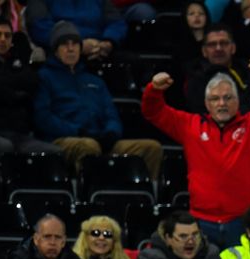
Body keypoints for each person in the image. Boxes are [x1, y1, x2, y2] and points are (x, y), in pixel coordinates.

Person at [142, 54, 250, 249]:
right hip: (201, 222)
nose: (221, 103)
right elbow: (152, 112)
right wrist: (154, 90)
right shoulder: (190, 125)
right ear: (207, 104)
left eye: (227, 98)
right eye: (215, 99)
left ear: (237, 100)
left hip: (243, 221)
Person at [32, 21, 163, 178]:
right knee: (88, 147)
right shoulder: (44, 77)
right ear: (55, 50)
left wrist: (111, 133)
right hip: (64, 139)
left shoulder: (94, 80)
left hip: (100, 139)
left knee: (151, 148)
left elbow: (111, 114)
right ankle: (89, 195)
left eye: (75, 44)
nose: (71, 48)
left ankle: (143, 196)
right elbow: (43, 118)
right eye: (64, 44)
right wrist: (78, 131)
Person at [0, 16, 61, 164]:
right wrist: (17, 93)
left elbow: (32, 80)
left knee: (54, 152)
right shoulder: (16, 67)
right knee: (4, 146)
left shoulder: (17, 61)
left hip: (19, 134)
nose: (3, 39)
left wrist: (7, 91)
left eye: (7, 35)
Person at [182, 23, 250, 114]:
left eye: (224, 43)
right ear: (204, 51)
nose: (218, 48)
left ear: (233, 48)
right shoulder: (195, 77)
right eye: (212, 44)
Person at [25, 0, 127, 61]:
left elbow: (117, 22)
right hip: (60, 54)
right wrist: (78, 44)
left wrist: (108, 42)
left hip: (99, 51)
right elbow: (39, 27)